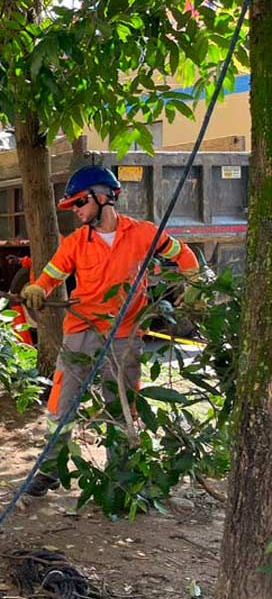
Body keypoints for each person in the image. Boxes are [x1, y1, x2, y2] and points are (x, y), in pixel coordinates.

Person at [19, 166, 199, 497]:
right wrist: (37, 288)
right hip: (81, 331)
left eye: (79, 202)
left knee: (122, 405)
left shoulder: (144, 234)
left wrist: (194, 283)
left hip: (125, 334)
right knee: (61, 404)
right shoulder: (76, 242)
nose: (75, 210)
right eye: (72, 205)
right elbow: (51, 276)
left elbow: (184, 256)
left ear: (103, 197)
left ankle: (121, 476)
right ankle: (49, 470)